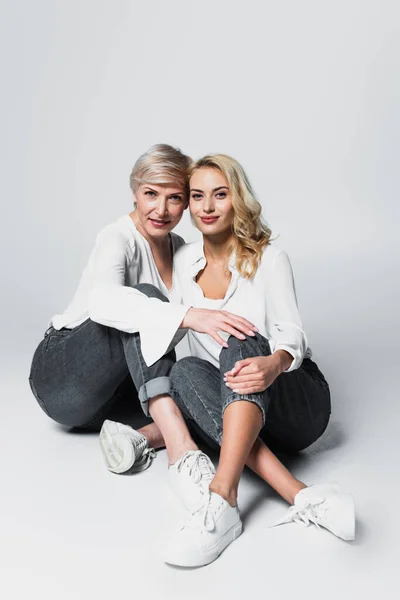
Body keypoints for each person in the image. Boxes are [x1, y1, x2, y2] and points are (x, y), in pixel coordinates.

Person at [105, 153, 355, 567]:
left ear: (237, 199)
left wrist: (273, 363)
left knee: (241, 341)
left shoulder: (270, 258)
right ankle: (301, 495)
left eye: (219, 195)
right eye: (197, 196)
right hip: (243, 411)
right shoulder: (183, 263)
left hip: (296, 401)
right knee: (184, 371)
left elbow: (292, 334)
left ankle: (222, 496)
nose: (206, 208)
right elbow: (168, 328)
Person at [29, 144, 256, 483]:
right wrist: (188, 315)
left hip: (119, 400)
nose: (161, 210)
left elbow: (209, 323)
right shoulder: (117, 237)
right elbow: (104, 302)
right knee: (145, 299)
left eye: (175, 198)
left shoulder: (181, 250)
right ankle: (181, 449)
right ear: (135, 192)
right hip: (62, 378)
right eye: (151, 194)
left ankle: (140, 438)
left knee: (199, 381)